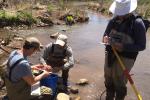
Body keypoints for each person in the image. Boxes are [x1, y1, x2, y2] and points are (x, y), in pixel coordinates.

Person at [102, 0, 146, 100]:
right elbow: (105, 35)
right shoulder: (112, 21)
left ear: (129, 11)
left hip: (126, 58)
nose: (119, 15)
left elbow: (142, 46)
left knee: (119, 81)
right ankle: (109, 97)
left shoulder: (138, 23)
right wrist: (105, 39)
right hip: (110, 54)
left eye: (122, 13)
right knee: (108, 79)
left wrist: (123, 47)